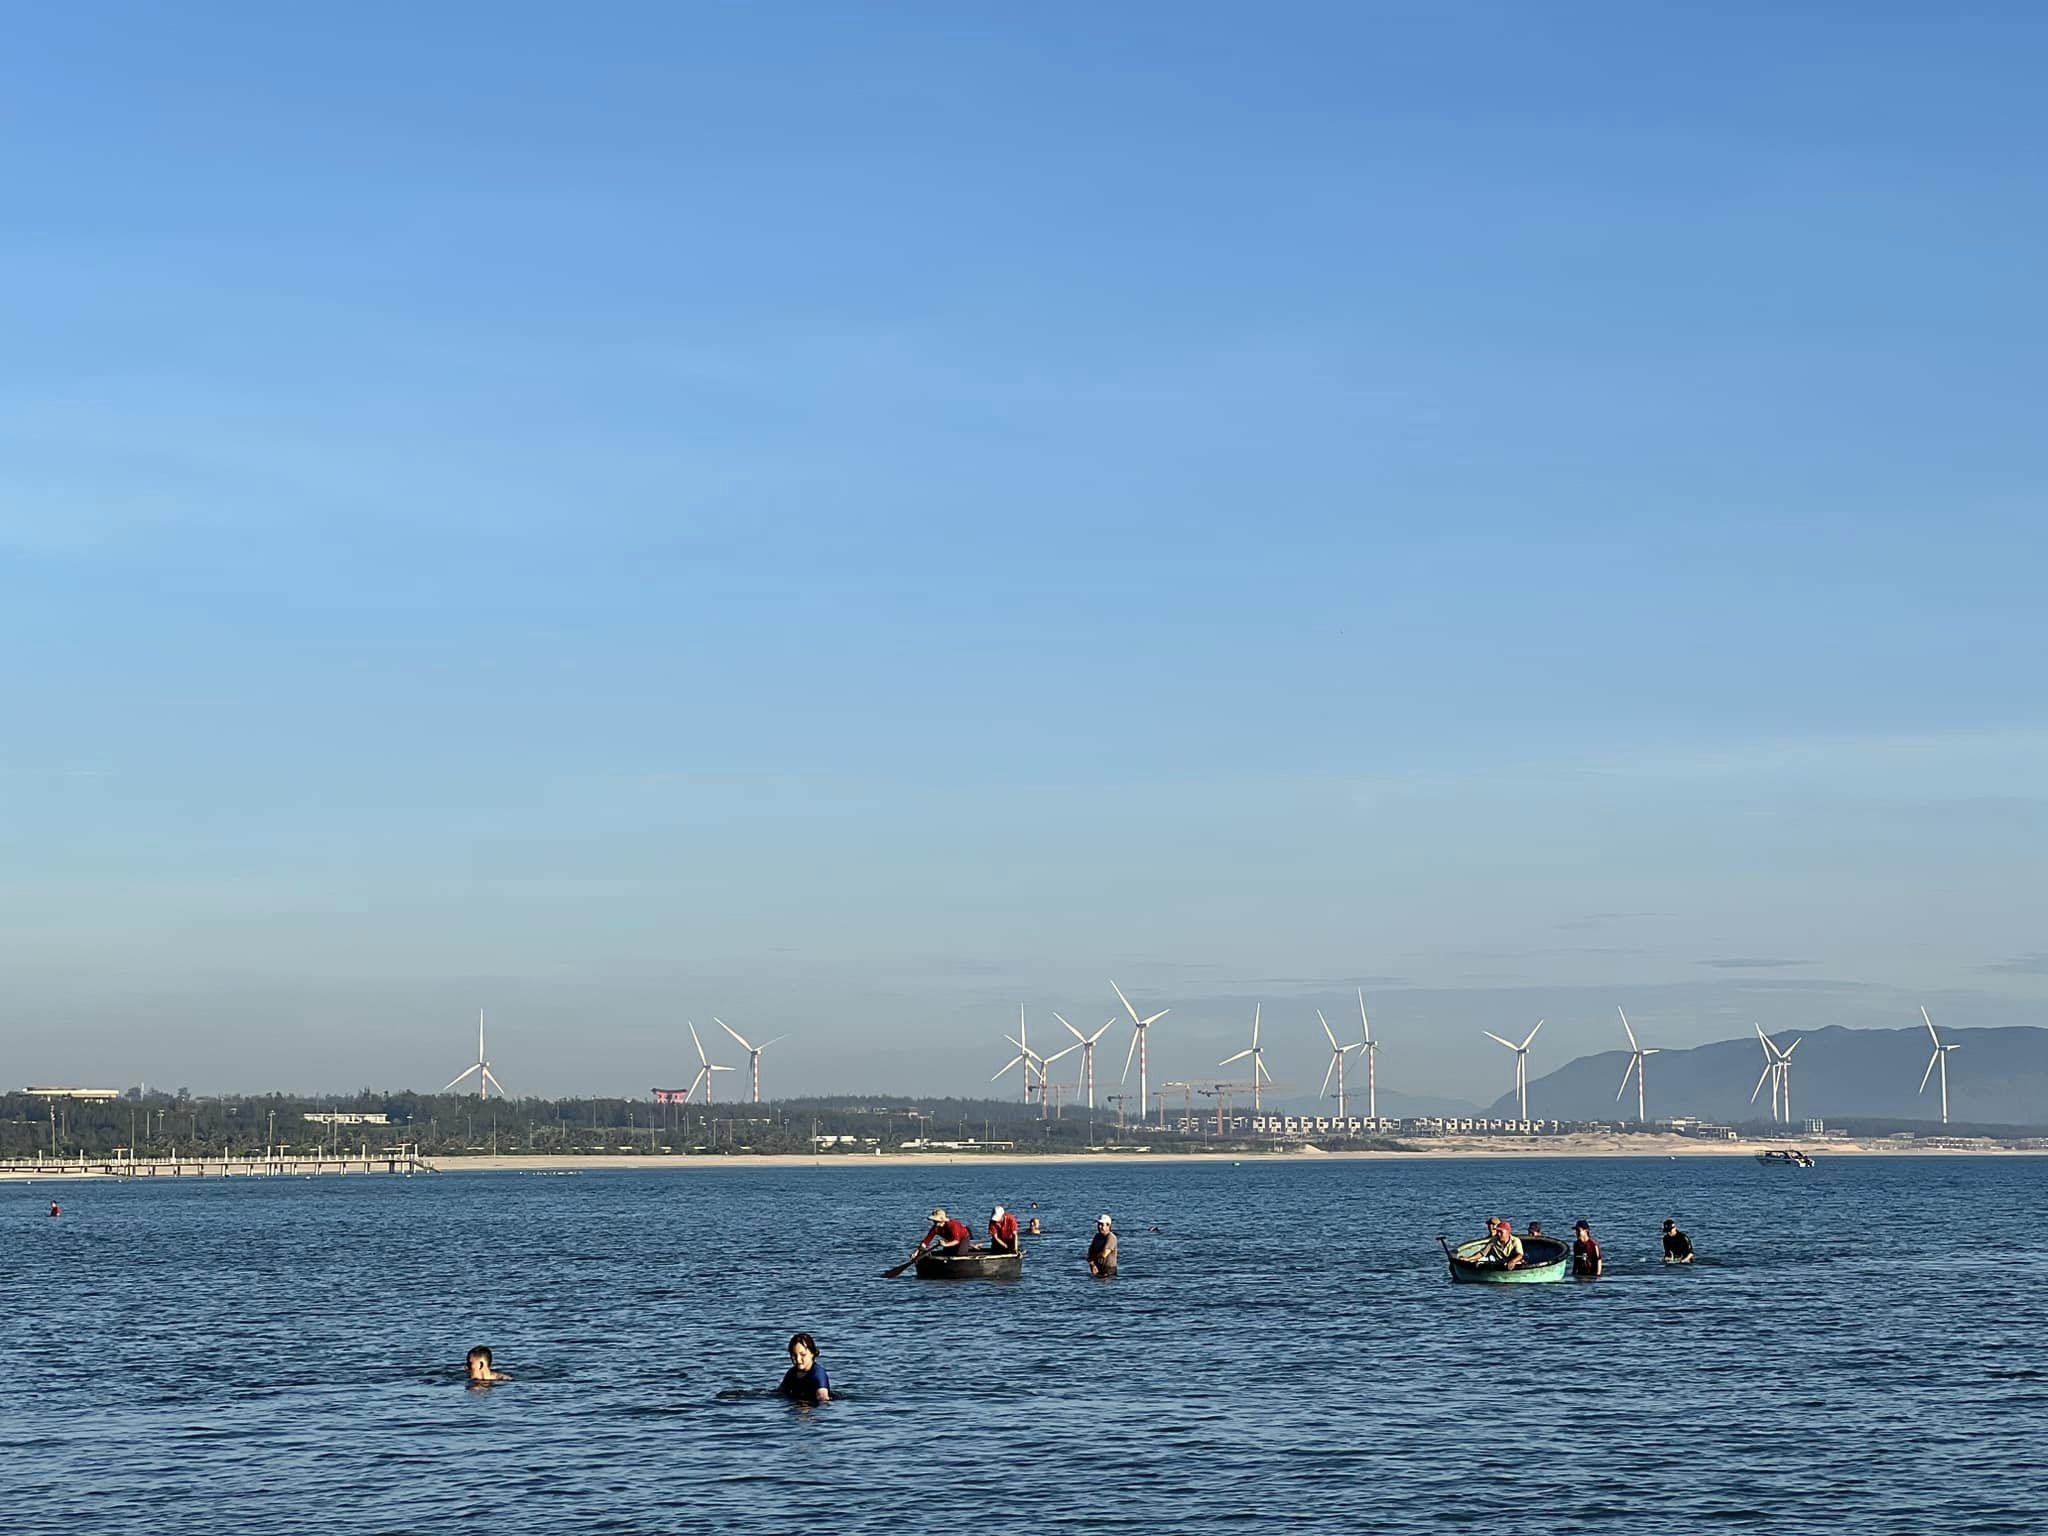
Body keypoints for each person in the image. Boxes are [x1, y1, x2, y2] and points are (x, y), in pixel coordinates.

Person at [777, 1332, 831, 1404]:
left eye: (803, 1355)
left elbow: (823, 1398)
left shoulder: (818, 1374)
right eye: (794, 1355)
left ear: (812, 1353)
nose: (798, 1360)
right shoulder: (792, 1373)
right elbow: (780, 1393)